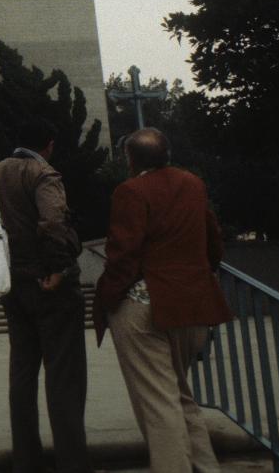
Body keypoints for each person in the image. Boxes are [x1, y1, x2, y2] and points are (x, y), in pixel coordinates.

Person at [93, 128, 233, 473]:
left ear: (131, 159)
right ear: (167, 154)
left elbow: (124, 252)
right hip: (192, 304)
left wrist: (108, 297)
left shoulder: (131, 191)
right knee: (180, 395)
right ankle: (206, 468)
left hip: (146, 305)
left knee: (157, 402)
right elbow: (213, 239)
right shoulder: (192, 184)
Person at [0, 117, 92, 473]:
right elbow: (53, 221)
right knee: (64, 376)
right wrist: (58, 267)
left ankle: (27, 460)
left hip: (11, 286)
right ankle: (72, 463)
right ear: (48, 144)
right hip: (49, 284)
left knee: (22, 372)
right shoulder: (41, 173)